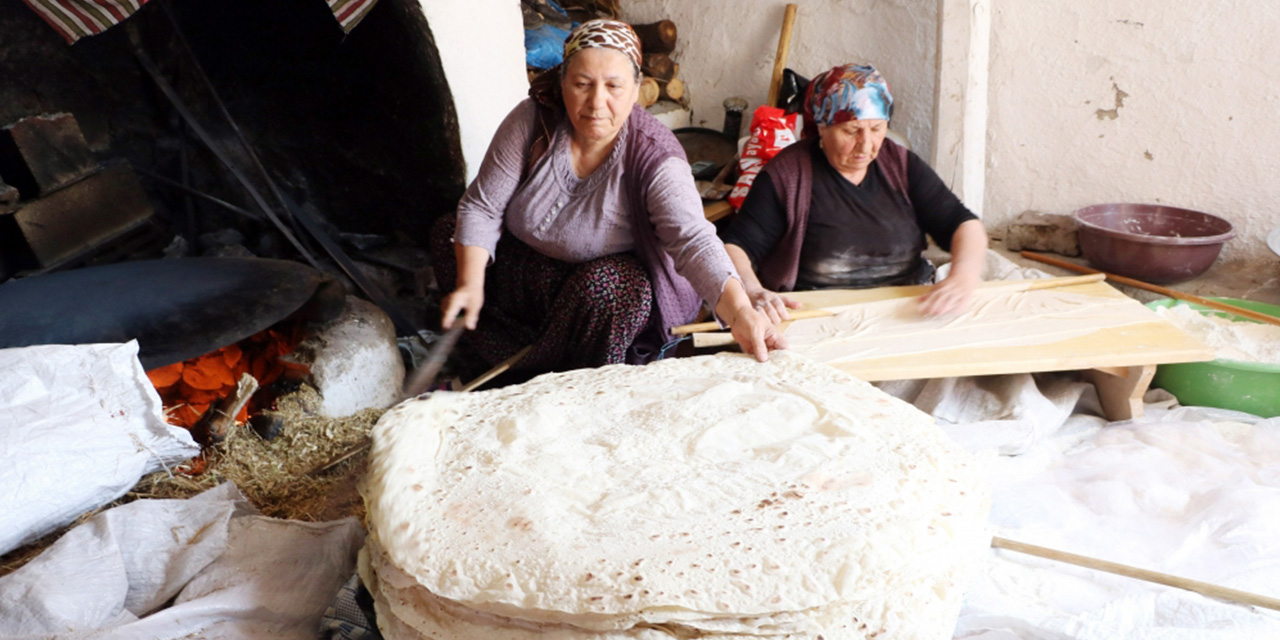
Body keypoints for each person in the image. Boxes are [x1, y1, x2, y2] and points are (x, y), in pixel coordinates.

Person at [433, 19, 782, 377]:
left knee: (615, 286)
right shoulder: (533, 119)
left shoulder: (654, 156)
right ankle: (501, 362)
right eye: (582, 84)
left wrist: (740, 312)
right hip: (528, 275)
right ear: (562, 82)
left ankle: (570, 381)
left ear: (636, 90)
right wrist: (471, 284)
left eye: (613, 86)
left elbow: (693, 240)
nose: (596, 102)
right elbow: (482, 206)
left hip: (591, 300)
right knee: (450, 232)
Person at [720, 63, 988, 324]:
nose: (866, 145)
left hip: (907, 310)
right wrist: (754, 292)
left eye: (877, 129)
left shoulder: (900, 165)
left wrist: (962, 276)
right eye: (852, 130)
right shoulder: (788, 176)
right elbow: (736, 246)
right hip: (818, 317)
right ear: (822, 127)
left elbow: (962, 223)